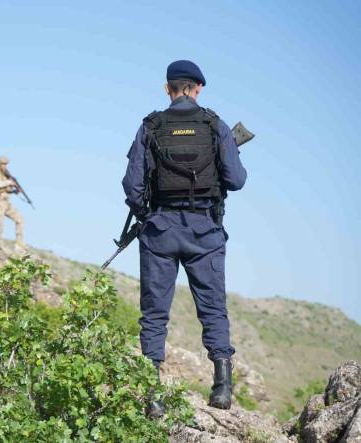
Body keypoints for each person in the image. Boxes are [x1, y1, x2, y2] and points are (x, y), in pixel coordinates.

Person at [122, 60, 247, 416]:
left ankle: (153, 397)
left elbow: (132, 187)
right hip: (204, 232)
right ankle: (222, 388)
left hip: (160, 231)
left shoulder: (151, 126)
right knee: (212, 309)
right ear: (198, 88)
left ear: (168, 89)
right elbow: (236, 180)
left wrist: (148, 216)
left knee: (154, 314)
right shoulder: (215, 125)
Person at [0, 156, 24, 246]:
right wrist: (10, 182)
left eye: (6, 164)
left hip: (7, 203)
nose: (5, 166)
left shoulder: (5, 175)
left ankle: (19, 242)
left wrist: (15, 190)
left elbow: (7, 189)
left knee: (20, 219)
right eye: (3, 164)